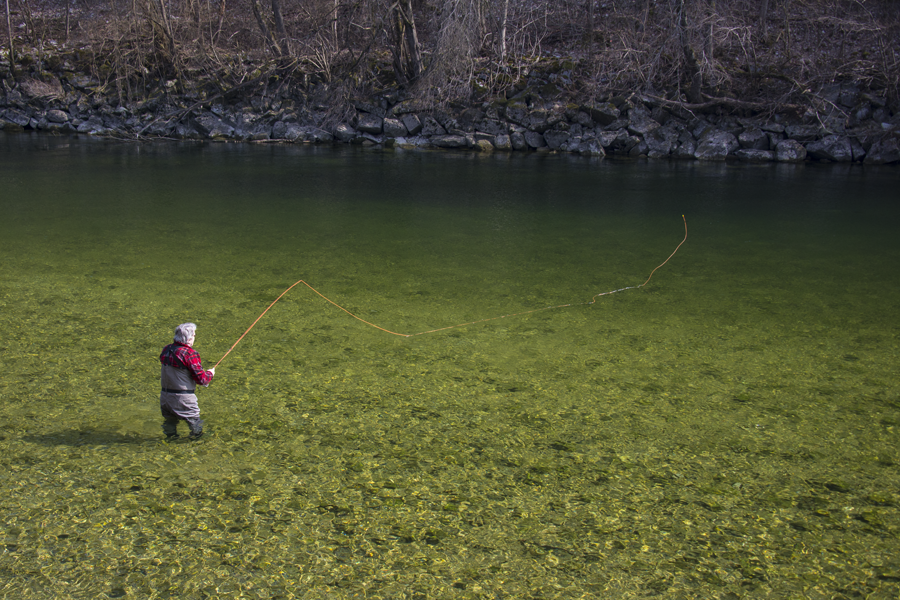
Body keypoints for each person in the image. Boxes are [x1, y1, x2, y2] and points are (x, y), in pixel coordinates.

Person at [159, 322, 215, 440]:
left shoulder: (166, 349)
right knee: (196, 428)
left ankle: (170, 446)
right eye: (194, 335)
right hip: (183, 399)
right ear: (188, 339)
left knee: (170, 425)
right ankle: (195, 448)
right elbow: (202, 380)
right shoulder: (190, 354)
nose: (194, 337)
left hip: (165, 397)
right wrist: (210, 373)